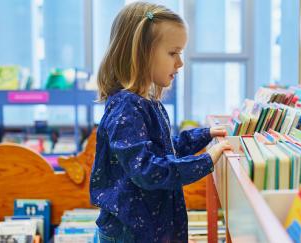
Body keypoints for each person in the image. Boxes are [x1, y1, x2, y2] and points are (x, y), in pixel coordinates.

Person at [90, 2, 231, 242]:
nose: (180, 63)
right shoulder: (127, 106)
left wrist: (204, 134)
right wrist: (205, 161)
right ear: (142, 52)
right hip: (130, 234)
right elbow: (147, 169)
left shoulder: (147, 102)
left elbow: (165, 149)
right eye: (172, 53)